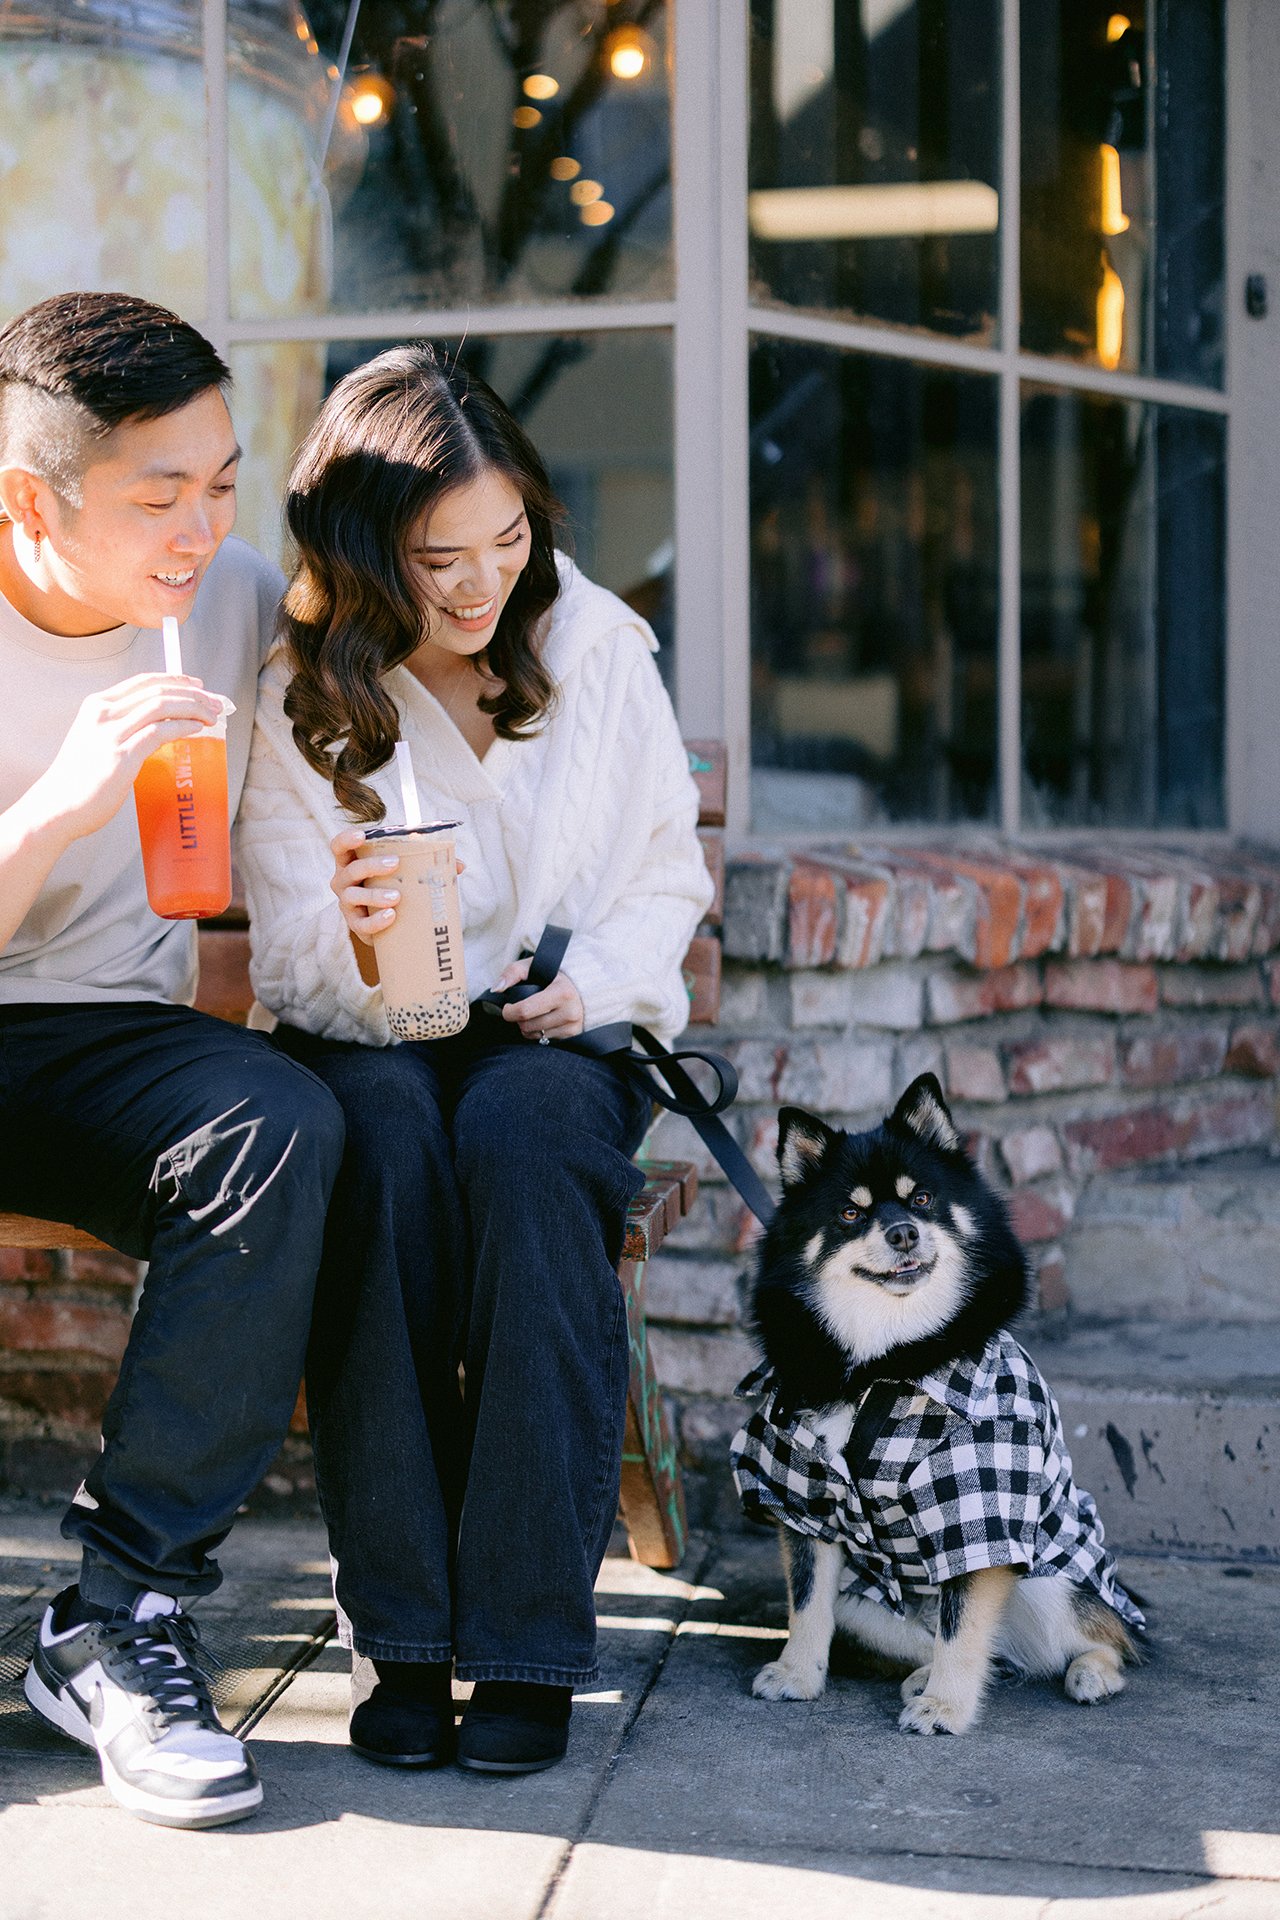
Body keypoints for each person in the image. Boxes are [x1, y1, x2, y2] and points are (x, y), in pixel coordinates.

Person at [235, 344, 713, 1776]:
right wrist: (366, 947)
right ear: (366, 551)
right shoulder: (302, 692)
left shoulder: (597, 649)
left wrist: (600, 986)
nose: (478, 583)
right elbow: (288, 951)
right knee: (377, 1148)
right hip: (369, 1035)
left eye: (506, 541)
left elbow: (661, 876)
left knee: (528, 1143)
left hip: (549, 1031)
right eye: (438, 557)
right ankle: (407, 1634)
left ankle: (520, 1643)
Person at [0, 292, 345, 1828]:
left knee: (278, 1118)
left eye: (222, 482)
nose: (203, 529)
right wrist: (61, 805)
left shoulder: (229, 601)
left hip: (101, 1047)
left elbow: (445, 650)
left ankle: (118, 1617)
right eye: (159, 497)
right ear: (31, 499)